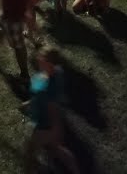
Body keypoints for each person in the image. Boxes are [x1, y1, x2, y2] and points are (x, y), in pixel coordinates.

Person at [24, 46, 79, 174]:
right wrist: (29, 103)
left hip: (46, 126)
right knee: (57, 149)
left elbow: (52, 108)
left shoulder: (49, 87)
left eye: (41, 57)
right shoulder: (57, 71)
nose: (38, 58)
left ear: (49, 63)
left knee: (29, 151)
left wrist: (55, 130)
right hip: (51, 126)